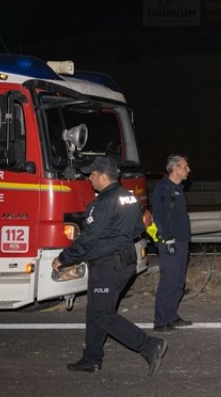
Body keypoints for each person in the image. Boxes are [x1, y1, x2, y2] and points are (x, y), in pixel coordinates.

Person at [54, 156, 167, 374]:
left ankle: (149, 345)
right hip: (125, 261)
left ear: (104, 176)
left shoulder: (102, 203)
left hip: (108, 265)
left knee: (103, 314)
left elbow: (88, 238)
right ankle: (92, 358)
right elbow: (137, 228)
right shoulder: (129, 198)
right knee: (95, 311)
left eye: (93, 174)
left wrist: (65, 258)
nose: (90, 178)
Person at [151, 154, 193, 332]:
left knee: (178, 282)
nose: (188, 170)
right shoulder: (163, 189)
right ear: (176, 168)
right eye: (185, 166)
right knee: (169, 281)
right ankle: (160, 322)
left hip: (182, 241)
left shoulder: (177, 188)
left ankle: (171, 316)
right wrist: (167, 238)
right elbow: (158, 216)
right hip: (170, 241)